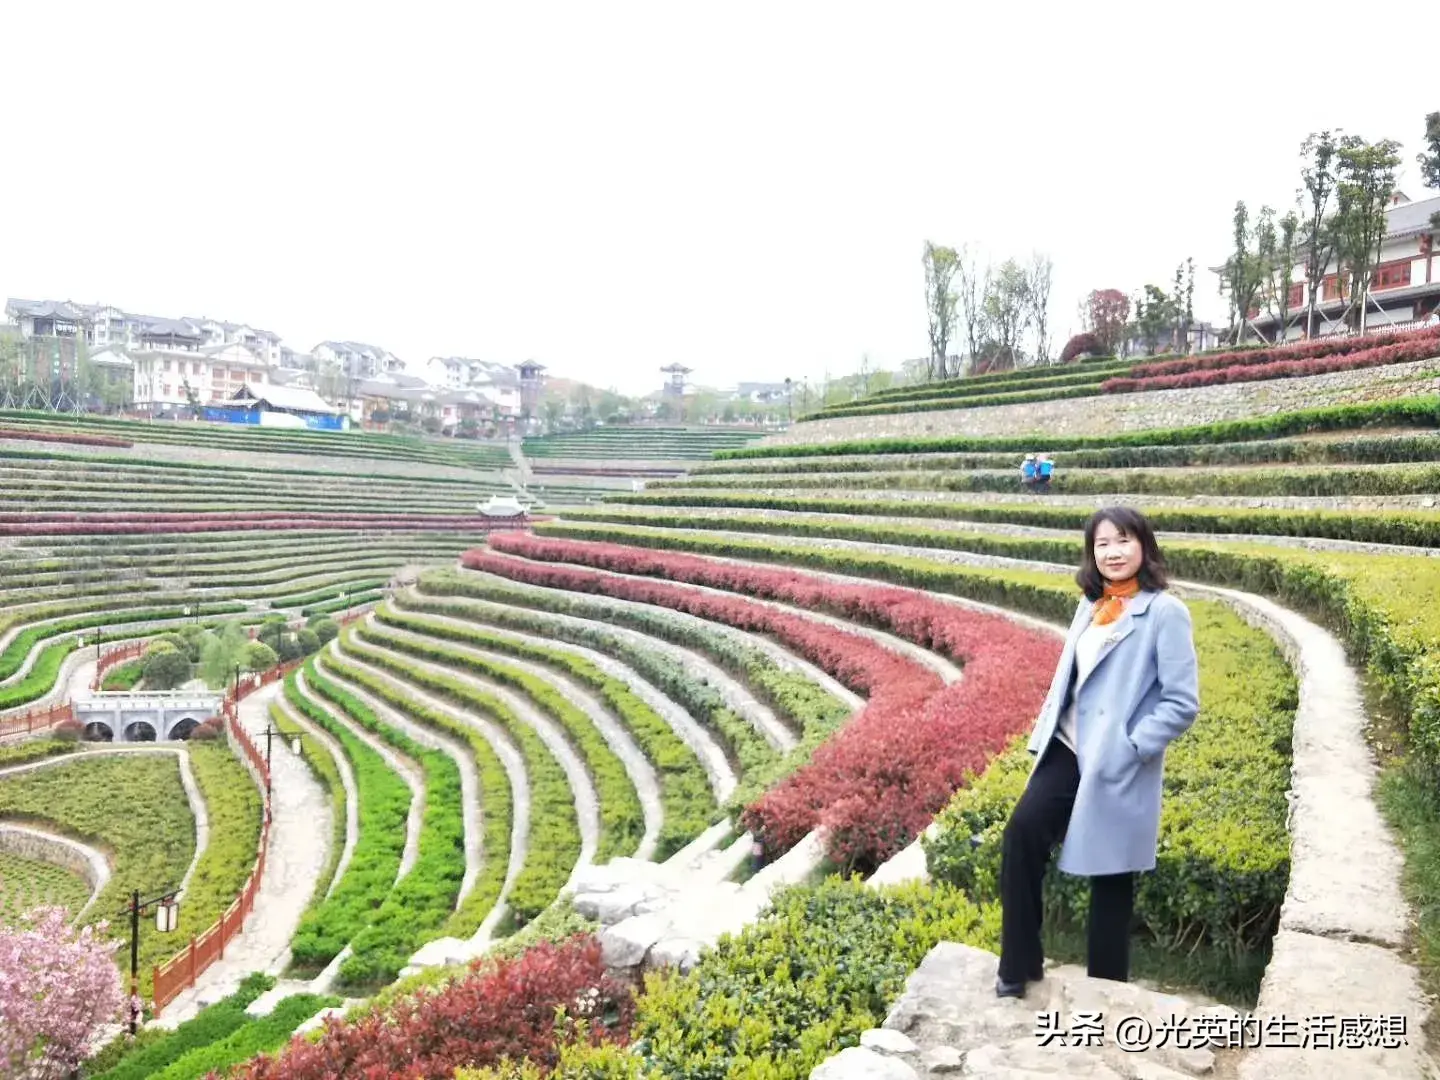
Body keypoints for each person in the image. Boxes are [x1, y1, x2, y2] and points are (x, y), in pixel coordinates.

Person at [994, 506, 1199, 999]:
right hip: (1068, 747)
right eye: (1102, 543)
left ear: (1144, 546)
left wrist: (1133, 747)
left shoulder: (1165, 612)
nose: (1113, 551)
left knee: (1111, 875)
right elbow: (1068, 678)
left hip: (1116, 758)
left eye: (1123, 540)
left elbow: (1181, 701)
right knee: (1021, 836)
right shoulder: (1090, 604)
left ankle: (1108, 993)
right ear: (1092, 552)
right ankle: (1019, 963)